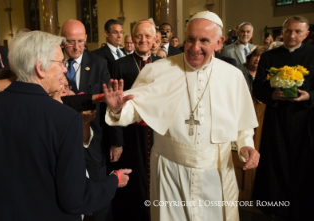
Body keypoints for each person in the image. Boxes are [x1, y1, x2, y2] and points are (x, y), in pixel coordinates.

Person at [104, 11, 260, 221]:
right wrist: (117, 109)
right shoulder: (159, 70)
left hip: (216, 172)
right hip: (170, 170)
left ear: (219, 42)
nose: (195, 47)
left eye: (204, 40)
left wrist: (245, 144)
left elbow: (243, 122)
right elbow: (134, 108)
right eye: (190, 39)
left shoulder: (233, 76)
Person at [0, 30, 131, 221]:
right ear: (40, 68)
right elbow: (76, 197)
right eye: (60, 62)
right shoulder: (64, 119)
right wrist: (113, 180)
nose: (65, 69)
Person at [61, 20, 124, 221]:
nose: (77, 47)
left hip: (93, 139)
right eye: (71, 42)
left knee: (99, 195)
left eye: (80, 41)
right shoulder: (52, 63)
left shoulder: (98, 63)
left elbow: (110, 104)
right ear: (62, 41)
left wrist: (116, 141)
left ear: (86, 38)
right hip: (61, 139)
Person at [252, 16, 314, 220]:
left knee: (305, 163)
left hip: (306, 118)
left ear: (306, 34)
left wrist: (310, 96)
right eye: (288, 31)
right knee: (276, 161)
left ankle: (304, 207)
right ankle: (275, 207)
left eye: (298, 31)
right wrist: (272, 95)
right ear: (282, 32)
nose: (292, 35)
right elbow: (258, 87)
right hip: (277, 118)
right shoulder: (270, 57)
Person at [108, 19, 161, 221]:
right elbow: (112, 105)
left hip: (157, 131)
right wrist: (116, 140)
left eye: (148, 36)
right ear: (132, 37)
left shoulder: (162, 65)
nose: (143, 40)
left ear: (155, 38)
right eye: (138, 36)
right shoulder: (119, 65)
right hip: (130, 132)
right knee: (133, 179)